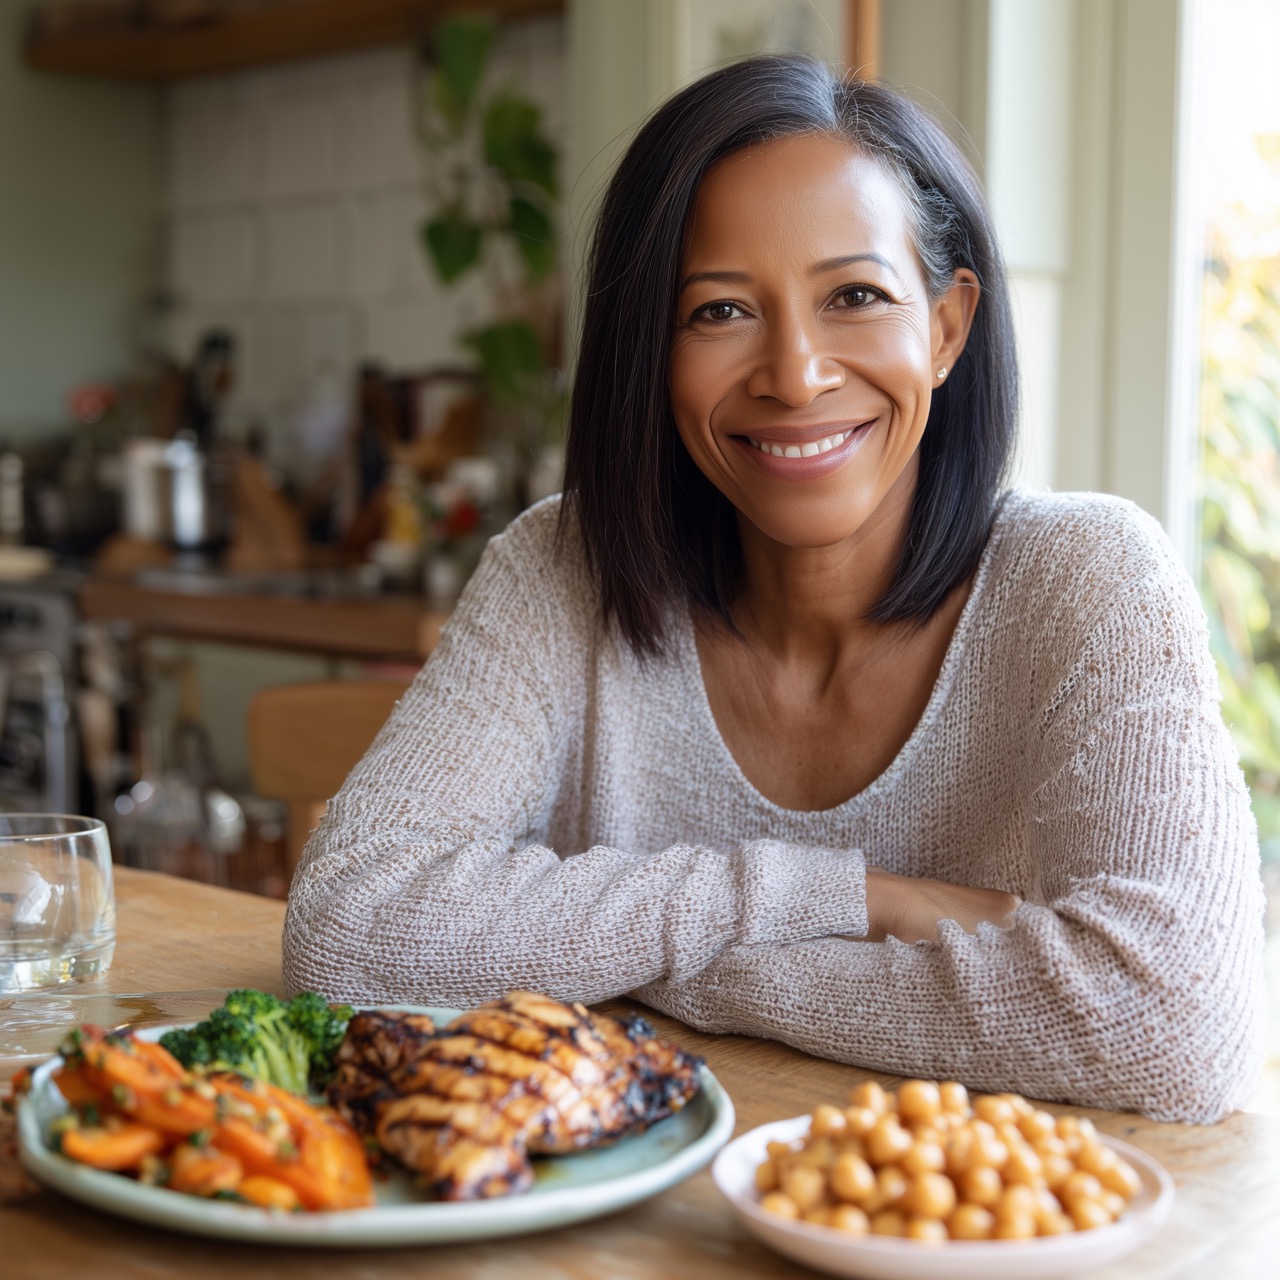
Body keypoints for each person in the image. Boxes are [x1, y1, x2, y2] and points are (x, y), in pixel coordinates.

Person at [283, 56, 1266, 1124]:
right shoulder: (560, 568)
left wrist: (662, 965)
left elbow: (1169, 1025)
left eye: (854, 295)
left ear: (944, 327)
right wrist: (850, 899)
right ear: (649, 355)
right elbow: (347, 928)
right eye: (717, 312)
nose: (794, 374)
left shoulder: (1085, 579)